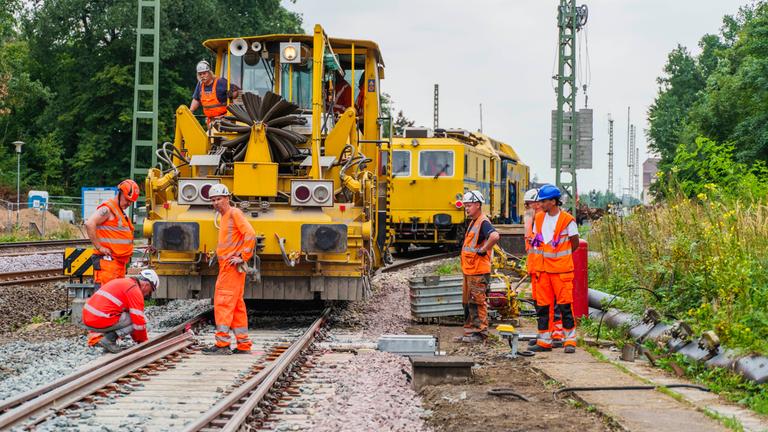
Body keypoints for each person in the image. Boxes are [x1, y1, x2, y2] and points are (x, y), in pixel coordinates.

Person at [203, 184, 257, 355]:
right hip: (229, 267)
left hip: (230, 267)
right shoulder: (226, 216)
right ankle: (243, 344)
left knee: (223, 303)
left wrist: (243, 256)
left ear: (227, 198)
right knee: (236, 306)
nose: (216, 203)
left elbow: (250, 234)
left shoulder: (234, 213)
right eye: (213, 200)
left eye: (219, 199)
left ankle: (222, 344)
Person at [529, 185, 580, 353]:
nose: (540, 204)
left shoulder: (567, 220)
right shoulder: (539, 218)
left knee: (565, 306)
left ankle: (569, 340)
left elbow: (574, 243)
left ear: (553, 201)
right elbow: (537, 241)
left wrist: (561, 257)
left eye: (543, 201)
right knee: (543, 307)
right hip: (542, 270)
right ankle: (544, 341)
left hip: (561, 271)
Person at [82, 269, 159, 353]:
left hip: (89, 317)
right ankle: (109, 340)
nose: (147, 294)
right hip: (99, 318)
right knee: (142, 318)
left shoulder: (125, 282)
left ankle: (107, 341)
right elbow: (138, 322)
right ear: (146, 285)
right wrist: (144, 343)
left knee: (129, 316)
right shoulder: (134, 290)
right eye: (150, 291)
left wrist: (137, 339)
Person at [458, 190, 500, 343]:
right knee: (468, 302)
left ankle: (481, 333)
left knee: (477, 302)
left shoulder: (483, 222)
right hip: (470, 270)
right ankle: (470, 332)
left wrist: (484, 249)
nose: (466, 208)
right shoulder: (474, 222)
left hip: (478, 271)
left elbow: (495, 236)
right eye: (465, 206)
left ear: (477, 205)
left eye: (469, 205)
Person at [84, 179, 139, 286]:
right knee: (106, 295)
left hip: (117, 266)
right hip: (108, 266)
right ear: (120, 193)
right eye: (127, 200)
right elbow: (89, 223)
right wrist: (100, 247)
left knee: (115, 295)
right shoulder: (107, 209)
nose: (129, 203)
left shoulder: (120, 212)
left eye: (131, 202)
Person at [189, 60, 239, 125]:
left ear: (210, 73)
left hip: (225, 120)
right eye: (200, 74)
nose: (202, 76)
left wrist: (232, 95)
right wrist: (190, 111)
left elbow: (236, 92)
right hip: (210, 121)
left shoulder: (221, 82)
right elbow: (196, 99)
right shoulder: (200, 85)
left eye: (204, 73)